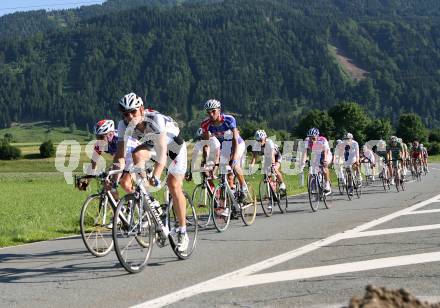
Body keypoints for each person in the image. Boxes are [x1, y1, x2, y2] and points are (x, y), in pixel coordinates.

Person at [111, 92, 189, 252]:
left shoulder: (155, 119)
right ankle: (147, 197)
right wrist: (113, 177)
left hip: (173, 145)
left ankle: (182, 231)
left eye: (133, 112)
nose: (130, 116)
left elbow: (162, 152)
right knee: (136, 154)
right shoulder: (123, 125)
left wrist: (156, 175)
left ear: (141, 109)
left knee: (173, 185)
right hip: (153, 146)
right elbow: (119, 156)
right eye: (126, 114)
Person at [200, 99, 251, 205]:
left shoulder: (229, 119)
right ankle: (231, 196)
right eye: (208, 112)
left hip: (237, 144)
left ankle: (244, 188)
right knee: (224, 172)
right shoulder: (206, 124)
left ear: (219, 110)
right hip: (225, 146)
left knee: (234, 163)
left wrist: (234, 156)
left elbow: (235, 140)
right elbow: (206, 144)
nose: (211, 114)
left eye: (213, 111)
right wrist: (205, 161)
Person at [85, 119, 138, 197]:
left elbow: (121, 160)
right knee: (107, 182)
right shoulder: (99, 144)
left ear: (110, 135)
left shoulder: (118, 139)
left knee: (124, 184)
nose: (99, 140)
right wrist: (86, 181)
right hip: (122, 159)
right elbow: (93, 164)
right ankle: (118, 206)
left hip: (134, 155)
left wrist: (112, 175)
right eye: (97, 137)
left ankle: (139, 201)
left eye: (101, 137)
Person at [250, 130, 286, 196]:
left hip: (276, 156)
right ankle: (271, 192)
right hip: (268, 158)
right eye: (258, 141)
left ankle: (282, 184)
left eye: (261, 140)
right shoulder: (256, 145)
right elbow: (254, 157)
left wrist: (272, 165)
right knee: (266, 174)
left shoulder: (269, 143)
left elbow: (272, 155)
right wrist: (251, 166)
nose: (259, 142)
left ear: (265, 138)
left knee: (274, 169)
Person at [300, 128, 332, 194]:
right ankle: (314, 184)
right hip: (316, 154)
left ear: (317, 136)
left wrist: (325, 160)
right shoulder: (307, 141)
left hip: (326, 154)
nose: (311, 140)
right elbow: (305, 153)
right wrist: (302, 163)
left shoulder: (323, 140)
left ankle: (327, 184)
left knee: (324, 167)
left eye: (313, 138)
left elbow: (325, 151)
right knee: (312, 168)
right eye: (310, 138)